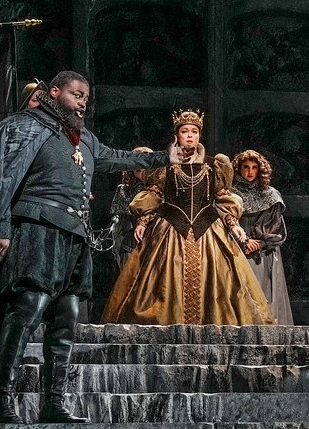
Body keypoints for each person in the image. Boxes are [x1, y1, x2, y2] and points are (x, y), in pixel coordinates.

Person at [0, 70, 177, 424]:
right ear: (54, 92)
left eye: (86, 98)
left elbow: (117, 158)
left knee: (67, 318)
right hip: (36, 229)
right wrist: (1, 228)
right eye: (76, 94)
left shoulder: (84, 139)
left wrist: (162, 157)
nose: (82, 103)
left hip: (74, 235)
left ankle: (54, 403)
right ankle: (1, 402)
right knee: (28, 309)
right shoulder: (25, 126)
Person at [103, 110, 273, 328]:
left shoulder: (213, 165)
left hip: (208, 228)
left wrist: (234, 225)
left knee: (221, 280)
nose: (190, 135)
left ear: (199, 135)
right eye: (185, 131)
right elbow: (154, 195)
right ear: (177, 136)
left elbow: (222, 197)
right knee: (162, 280)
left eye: (194, 131)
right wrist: (143, 222)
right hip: (170, 228)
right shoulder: (165, 166)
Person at [231, 148, 293, 325]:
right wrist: (243, 241)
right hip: (238, 249)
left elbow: (277, 228)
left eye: (254, 167)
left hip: (264, 252)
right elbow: (225, 221)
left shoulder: (270, 195)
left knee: (265, 294)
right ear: (239, 169)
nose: (250, 172)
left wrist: (261, 243)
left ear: (260, 169)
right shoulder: (230, 195)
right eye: (246, 167)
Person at [108, 146, 154, 273]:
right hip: (128, 241)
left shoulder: (157, 189)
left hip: (152, 239)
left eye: (143, 162)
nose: (139, 167)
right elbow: (117, 219)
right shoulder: (123, 189)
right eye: (136, 162)